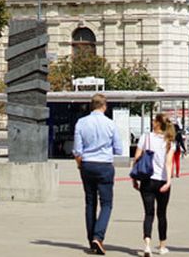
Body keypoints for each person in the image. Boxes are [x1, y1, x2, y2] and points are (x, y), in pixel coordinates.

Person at [73, 93, 123, 255]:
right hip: (104, 165)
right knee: (107, 204)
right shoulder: (110, 124)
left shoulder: (81, 123)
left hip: (87, 164)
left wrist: (80, 164)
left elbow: (77, 150)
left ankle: (91, 240)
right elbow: (119, 149)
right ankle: (98, 236)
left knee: (90, 203)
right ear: (104, 106)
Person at [132, 113, 176, 257]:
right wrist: (169, 181)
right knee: (162, 214)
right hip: (162, 180)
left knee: (148, 213)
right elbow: (169, 163)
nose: (152, 122)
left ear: (157, 123)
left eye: (153, 120)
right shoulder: (169, 141)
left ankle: (147, 245)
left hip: (146, 180)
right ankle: (162, 246)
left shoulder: (146, 137)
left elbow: (137, 157)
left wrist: (134, 177)